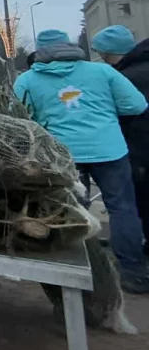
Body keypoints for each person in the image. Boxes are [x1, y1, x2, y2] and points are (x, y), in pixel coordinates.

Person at [14, 29, 149, 293]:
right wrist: (103, 111)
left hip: (62, 155)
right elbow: (136, 105)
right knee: (122, 208)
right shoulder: (102, 72)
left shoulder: (28, 79)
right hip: (109, 149)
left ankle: (80, 271)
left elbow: (19, 117)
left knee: (71, 208)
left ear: (39, 51)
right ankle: (134, 272)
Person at [92, 25, 149, 250]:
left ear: (109, 53)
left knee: (133, 202)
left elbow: (131, 109)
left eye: (102, 52)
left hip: (140, 148)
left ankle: (135, 253)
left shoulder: (127, 77)